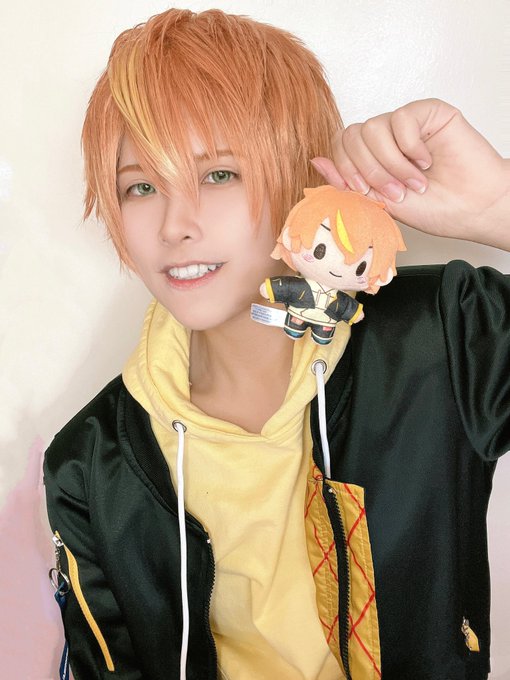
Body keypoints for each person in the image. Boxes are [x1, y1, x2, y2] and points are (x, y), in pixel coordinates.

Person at [43, 8, 510, 680]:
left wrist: (499, 206)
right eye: (141, 187)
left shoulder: (440, 334)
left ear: (300, 179)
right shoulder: (91, 464)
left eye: (218, 175)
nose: (175, 225)